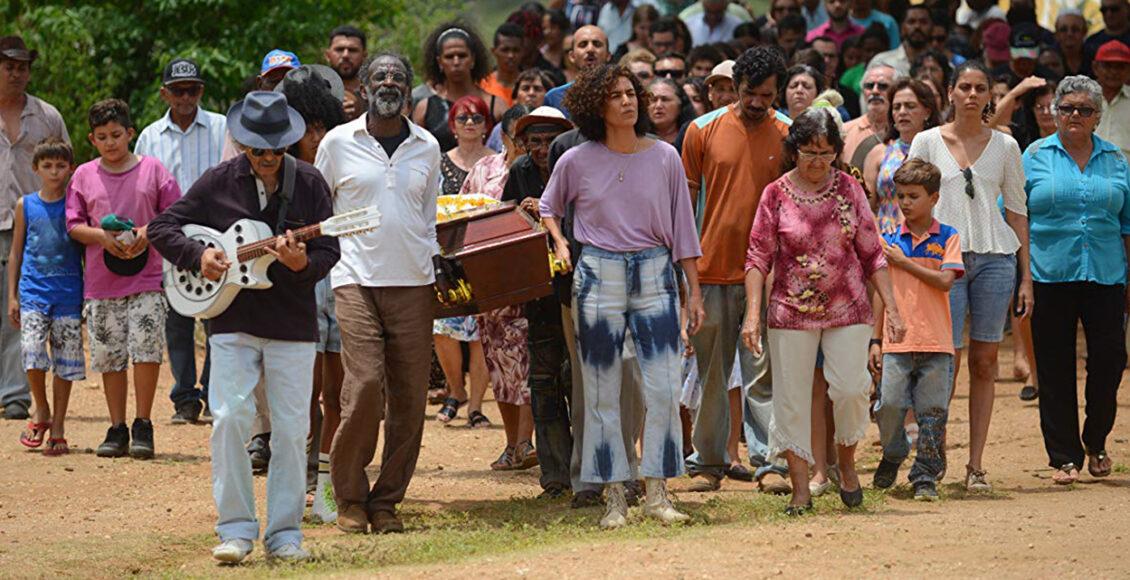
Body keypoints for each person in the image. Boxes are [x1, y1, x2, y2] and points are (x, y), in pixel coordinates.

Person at [149, 90, 338, 564]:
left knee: (293, 429)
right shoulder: (218, 181)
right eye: (259, 149)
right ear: (242, 143)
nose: (269, 158)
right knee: (230, 420)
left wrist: (300, 264)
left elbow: (330, 249)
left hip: (293, 323)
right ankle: (235, 529)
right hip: (231, 320)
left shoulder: (311, 182)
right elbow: (162, 227)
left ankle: (285, 534)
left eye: (278, 148)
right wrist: (199, 255)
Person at [540, 63, 705, 529]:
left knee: (664, 386)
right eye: (616, 95)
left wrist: (694, 291)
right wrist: (560, 240)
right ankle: (614, 494)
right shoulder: (575, 159)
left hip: (655, 270)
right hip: (598, 272)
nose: (629, 101)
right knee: (600, 390)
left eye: (632, 93)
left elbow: (683, 231)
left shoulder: (666, 157)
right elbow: (549, 207)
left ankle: (658, 491)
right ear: (597, 106)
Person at [742, 107, 905, 515]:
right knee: (791, 400)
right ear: (794, 150)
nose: (818, 162)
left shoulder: (849, 190)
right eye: (809, 152)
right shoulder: (775, 194)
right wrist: (752, 314)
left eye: (826, 153)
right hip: (789, 312)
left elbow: (873, 254)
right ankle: (800, 487)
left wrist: (895, 311)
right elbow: (757, 257)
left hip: (848, 307)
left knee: (851, 390)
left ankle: (845, 466)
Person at [317, 52, 440, 536]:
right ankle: (349, 496)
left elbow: (427, 219)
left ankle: (387, 501)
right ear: (364, 87)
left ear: (409, 89)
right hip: (354, 278)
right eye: (379, 77)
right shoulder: (337, 142)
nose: (388, 83)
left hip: (414, 282)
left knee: (410, 399)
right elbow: (321, 209)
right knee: (365, 385)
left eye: (397, 77)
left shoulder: (427, 146)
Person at [907, 60, 1033, 492]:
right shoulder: (926, 141)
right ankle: (932, 456)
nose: (973, 94)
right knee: (945, 361)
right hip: (944, 262)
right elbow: (911, 205)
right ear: (950, 92)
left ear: (989, 97)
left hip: (996, 258)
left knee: (985, 360)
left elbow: (1017, 210)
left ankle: (975, 464)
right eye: (965, 87)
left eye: (981, 88)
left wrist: (1027, 277)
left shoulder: (1006, 146)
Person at [681, 46, 793, 495]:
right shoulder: (701, 131)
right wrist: (685, 277)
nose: (757, 103)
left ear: (776, 92)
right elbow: (684, 208)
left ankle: (769, 463)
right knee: (710, 373)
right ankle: (708, 462)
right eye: (750, 93)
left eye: (766, 95)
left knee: (763, 372)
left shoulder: (788, 133)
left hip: (767, 276)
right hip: (709, 271)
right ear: (735, 87)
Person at [1023, 75, 1130, 485]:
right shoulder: (1034, 156)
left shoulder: (1117, 160)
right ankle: (1064, 456)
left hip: (1106, 273)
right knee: (1053, 366)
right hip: (1049, 273)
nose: (1075, 116)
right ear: (1055, 113)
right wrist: (1023, 278)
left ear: (1097, 117)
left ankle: (1096, 438)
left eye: (1085, 110)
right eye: (1067, 108)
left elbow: (1127, 223)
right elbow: (1016, 217)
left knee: (1110, 360)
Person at [66, 99, 179, 460]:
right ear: (92, 140)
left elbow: (173, 213)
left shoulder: (153, 170)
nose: (111, 142)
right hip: (101, 281)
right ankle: (116, 427)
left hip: (146, 277)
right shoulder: (83, 175)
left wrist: (147, 232)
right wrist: (101, 237)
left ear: (130, 133)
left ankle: (143, 423)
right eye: (102, 137)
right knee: (109, 355)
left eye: (117, 134)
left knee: (146, 349)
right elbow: (73, 224)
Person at [273, 68, 348, 524]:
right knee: (301, 391)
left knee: (336, 392)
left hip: (339, 276)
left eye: (322, 125)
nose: (316, 135)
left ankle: (327, 485)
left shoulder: (344, 153)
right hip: (299, 282)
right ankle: (295, 476)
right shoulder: (280, 168)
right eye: (307, 125)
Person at [134, 57, 226, 425]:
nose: (185, 97)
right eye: (177, 90)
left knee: (219, 314)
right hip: (171, 238)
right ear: (164, 93)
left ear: (201, 91)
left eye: (192, 90)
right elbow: (142, 190)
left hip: (217, 235)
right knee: (177, 317)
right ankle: (185, 396)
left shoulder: (222, 127)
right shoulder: (149, 136)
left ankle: (214, 390)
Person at [869, 158, 963, 501]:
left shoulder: (948, 238)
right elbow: (883, 292)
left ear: (934, 198)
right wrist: (875, 339)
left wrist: (904, 262)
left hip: (937, 342)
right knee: (889, 404)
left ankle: (925, 475)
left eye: (913, 196)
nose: (905, 203)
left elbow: (945, 281)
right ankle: (894, 452)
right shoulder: (891, 239)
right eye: (901, 196)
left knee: (932, 413)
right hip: (897, 342)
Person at [499, 105, 577, 496]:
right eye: (535, 142)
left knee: (577, 379)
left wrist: (547, 211)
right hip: (538, 290)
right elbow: (502, 220)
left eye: (550, 140)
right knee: (544, 381)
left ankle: (584, 470)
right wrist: (523, 211)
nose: (543, 148)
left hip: (577, 286)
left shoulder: (578, 164)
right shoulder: (520, 173)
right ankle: (554, 475)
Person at [0, 35, 70, 422]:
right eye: (9, 65)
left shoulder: (47, 116)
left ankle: (15, 395)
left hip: (36, 223)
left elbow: (66, 167)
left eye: (22, 66)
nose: (16, 72)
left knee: (20, 311)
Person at [9, 139, 83, 456]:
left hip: (68, 293)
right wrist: (12, 296)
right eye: (48, 166)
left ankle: (59, 426)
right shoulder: (26, 205)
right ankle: (41, 409)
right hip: (33, 292)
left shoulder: (76, 206)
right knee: (32, 349)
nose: (54, 172)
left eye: (61, 165)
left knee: (65, 360)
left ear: (71, 168)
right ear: (35, 168)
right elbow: (15, 252)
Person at [432, 96, 495, 436]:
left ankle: (476, 406)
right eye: (462, 118)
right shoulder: (439, 162)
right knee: (443, 329)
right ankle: (455, 390)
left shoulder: (497, 163)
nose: (470, 123)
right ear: (452, 125)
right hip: (445, 252)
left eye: (476, 117)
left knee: (481, 330)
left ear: (487, 124)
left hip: (485, 252)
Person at [862, 78, 941, 235]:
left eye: (910, 106)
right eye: (897, 107)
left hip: (931, 239)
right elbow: (865, 206)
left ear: (927, 112)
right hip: (887, 238)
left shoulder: (940, 150)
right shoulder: (879, 153)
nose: (902, 112)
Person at [412, 23, 506, 152]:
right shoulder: (425, 109)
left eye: (462, 56)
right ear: (439, 62)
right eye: (449, 57)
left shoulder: (496, 107)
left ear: (473, 59)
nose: (456, 62)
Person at [545, 25, 613, 115]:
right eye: (583, 45)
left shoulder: (623, 95)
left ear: (608, 55)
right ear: (572, 56)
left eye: (597, 44)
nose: (590, 49)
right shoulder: (554, 97)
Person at [842, 63, 896, 169]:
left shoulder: (906, 131)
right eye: (869, 86)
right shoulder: (844, 131)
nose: (875, 91)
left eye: (883, 86)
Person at [870, 5, 933, 77]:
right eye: (911, 22)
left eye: (923, 22)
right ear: (902, 27)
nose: (917, 26)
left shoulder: (940, 65)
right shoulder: (882, 61)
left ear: (932, 26)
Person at [1094, 40, 1130, 158]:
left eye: (1120, 67)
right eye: (1107, 66)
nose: (1114, 72)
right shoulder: (1082, 99)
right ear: (1095, 67)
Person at [325, 25, 369, 120]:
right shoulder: (314, 91)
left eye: (353, 50)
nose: (346, 55)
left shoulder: (374, 93)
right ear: (328, 55)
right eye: (339, 49)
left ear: (364, 56)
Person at [482, 23, 527, 109]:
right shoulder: (482, 86)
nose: (510, 55)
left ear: (523, 52)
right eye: (505, 50)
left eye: (516, 50)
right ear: (494, 51)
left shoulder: (530, 87)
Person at [648, 77, 693, 149]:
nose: (658, 105)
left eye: (665, 100)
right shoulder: (636, 138)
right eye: (653, 100)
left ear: (680, 104)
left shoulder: (693, 137)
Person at [1084, 0, 1130, 64]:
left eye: (1114, 9)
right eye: (1104, 10)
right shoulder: (1091, 43)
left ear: (1127, 9)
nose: (1109, 14)